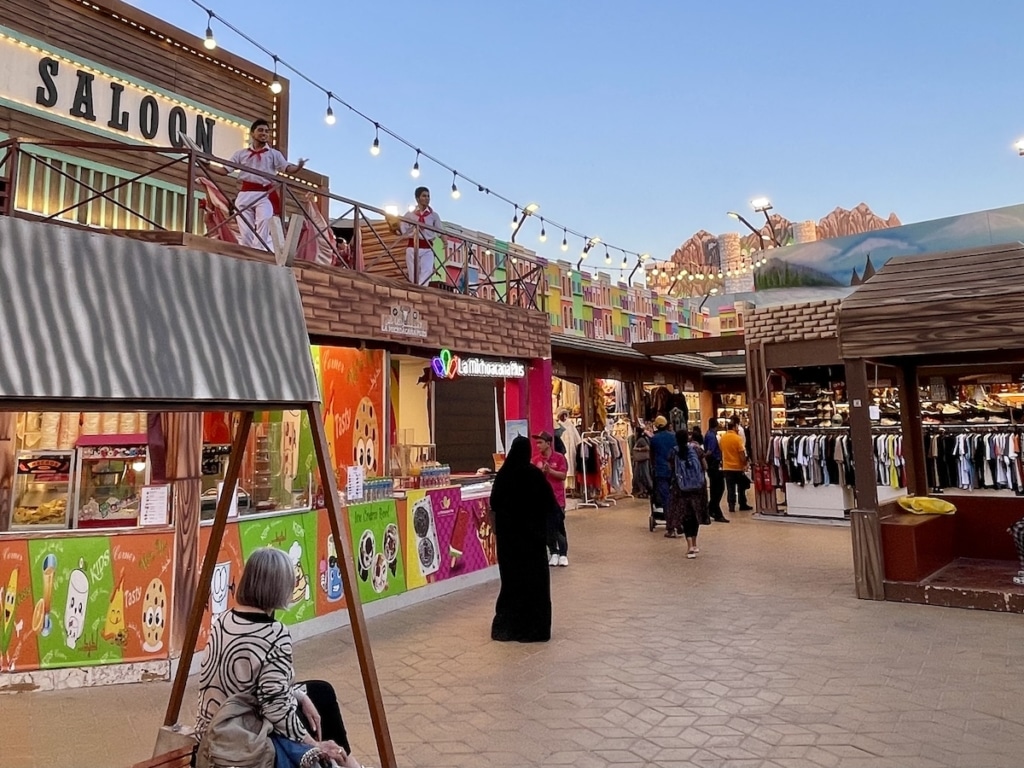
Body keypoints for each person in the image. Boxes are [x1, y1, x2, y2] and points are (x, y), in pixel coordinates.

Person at [195, 547, 367, 768]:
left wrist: (300, 696)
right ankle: (347, 764)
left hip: (214, 724)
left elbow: (254, 688)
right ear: (277, 588)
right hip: (239, 737)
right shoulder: (274, 634)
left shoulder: (222, 621)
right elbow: (276, 708)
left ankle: (349, 764)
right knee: (319, 701)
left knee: (318, 691)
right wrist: (314, 745)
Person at [489, 435, 554, 642]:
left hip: (509, 543)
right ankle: (534, 629)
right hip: (532, 543)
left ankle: (509, 627)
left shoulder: (504, 476)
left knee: (512, 583)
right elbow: (549, 504)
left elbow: (494, 504)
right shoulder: (534, 475)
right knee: (534, 583)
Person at [222, 119, 307, 251]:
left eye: (267, 131)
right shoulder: (241, 154)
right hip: (245, 193)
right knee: (245, 229)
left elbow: (286, 168)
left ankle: (258, 250)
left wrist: (298, 167)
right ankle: (247, 251)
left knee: (264, 220)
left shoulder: (274, 154)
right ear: (252, 133)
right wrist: (207, 165)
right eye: (261, 130)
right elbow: (225, 170)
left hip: (263, 194)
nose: (264, 133)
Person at [667, 429, 708, 558]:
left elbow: (671, 468)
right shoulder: (696, 450)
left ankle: (689, 545)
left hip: (681, 489)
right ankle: (695, 544)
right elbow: (705, 466)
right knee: (695, 515)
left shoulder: (673, 452)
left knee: (685, 517)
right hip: (697, 489)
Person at [533, 431, 570, 567]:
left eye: (540, 442)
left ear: (548, 444)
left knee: (559, 527)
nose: (538, 445)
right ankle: (553, 552)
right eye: (537, 443)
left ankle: (563, 554)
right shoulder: (536, 460)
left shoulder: (559, 458)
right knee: (547, 528)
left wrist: (550, 471)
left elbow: (563, 476)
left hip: (557, 499)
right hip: (542, 500)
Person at [400, 186, 443, 286]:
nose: (427, 198)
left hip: (427, 247)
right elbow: (403, 228)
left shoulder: (434, 215)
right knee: (412, 271)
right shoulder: (409, 215)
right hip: (412, 246)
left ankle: (421, 289)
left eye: (428, 196)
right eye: (424, 196)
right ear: (417, 198)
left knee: (426, 271)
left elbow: (440, 231)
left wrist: (444, 240)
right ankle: (414, 287)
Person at [720, 418, 752, 515]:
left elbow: (721, 450)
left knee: (730, 488)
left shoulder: (723, 438)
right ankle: (742, 503)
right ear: (734, 427)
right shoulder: (737, 438)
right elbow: (741, 453)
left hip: (726, 467)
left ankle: (731, 505)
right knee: (742, 486)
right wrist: (745, 463)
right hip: (737, 467)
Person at [649, 415, 676, 515]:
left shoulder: (654, 439)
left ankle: (669, 519)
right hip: (673, 470)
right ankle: (675, 517)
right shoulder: (674, 436)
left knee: (665, 496)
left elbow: (652, 455)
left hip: (660, 470)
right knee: (674, 494)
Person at [704, 418, 727, 523]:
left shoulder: (708, 434)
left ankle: (712, 508)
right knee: (719, 487)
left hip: (712, 463)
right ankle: (713, 508)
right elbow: (710, 451)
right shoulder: (712, 436)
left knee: (715, 487)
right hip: (714, 463)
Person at [631, 425, 652, 498]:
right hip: (641, 460)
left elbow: (647, 447)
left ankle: (648, 489)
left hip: (642, 460)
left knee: (644, 474)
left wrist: (637, 449)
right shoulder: (642, 439)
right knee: (641, 475)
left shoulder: (641, 440)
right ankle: (643, 490)